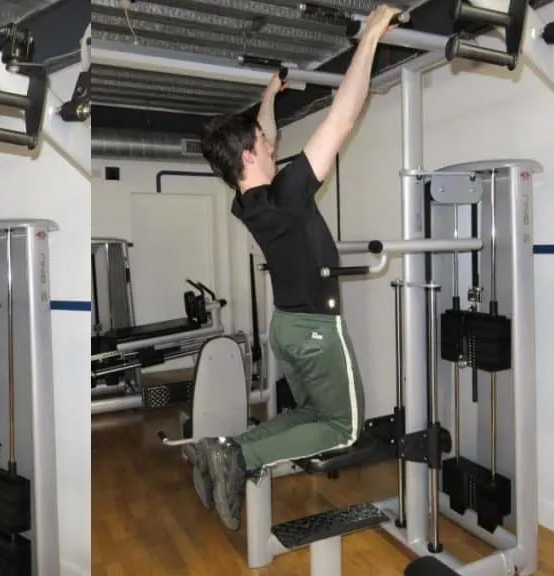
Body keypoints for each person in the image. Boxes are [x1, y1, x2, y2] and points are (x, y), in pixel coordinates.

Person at [188, 5, 402, 531]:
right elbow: (343, 116)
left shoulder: (250, 200)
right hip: (315, 328)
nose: (270, 140)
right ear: (248, 157)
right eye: (263, 141)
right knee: (344, 425)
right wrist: (371, 34)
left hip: (287, 325)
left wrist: (268, 97)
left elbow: (261, 134)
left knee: (310, 416)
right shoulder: (286, 193)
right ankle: (239, 459)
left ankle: (222, 449)